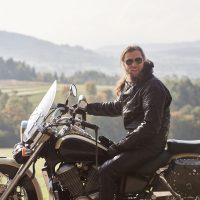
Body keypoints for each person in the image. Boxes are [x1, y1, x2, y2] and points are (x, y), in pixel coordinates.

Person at [85, 45, 172, 200]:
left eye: (138, 60)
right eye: (129, 61)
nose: (134, 64)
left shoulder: (152, 87)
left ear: (144, 61)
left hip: (150, 144)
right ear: (123, 64)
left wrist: (121, 146)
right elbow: (116, 107)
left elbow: (150, 126)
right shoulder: (132, 84)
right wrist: (86, 108)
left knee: (106, 170)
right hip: (139, 141)